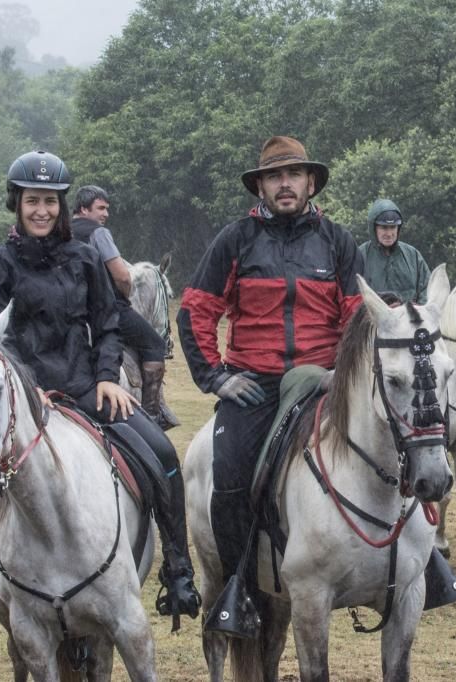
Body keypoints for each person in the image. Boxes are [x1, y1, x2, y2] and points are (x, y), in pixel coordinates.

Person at [0, 151, 199, 639]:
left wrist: (105, 377)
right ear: (18, 204)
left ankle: (178, 571)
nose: (41, 210)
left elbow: (108, 323)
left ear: (60, 206)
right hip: (23, 399)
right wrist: (28, 394)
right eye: (32, 201)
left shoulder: (84, 259)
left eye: (50, 202)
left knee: (162, 453)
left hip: (85, 388)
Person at [177, 136, 364, 630]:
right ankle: (238, 586)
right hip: (255, 385)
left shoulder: (337, 241)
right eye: (275, 176)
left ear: (310, 183)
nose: (285, 184)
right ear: (260, 185)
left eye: (294, 175)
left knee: (398, 443)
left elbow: (358, 318)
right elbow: (196, 309)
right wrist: (216, 377)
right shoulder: (235, 240)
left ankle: (421, 566)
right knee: (232, 474)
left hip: (324, 381)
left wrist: (340, 374)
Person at [71, 185, 175, 429]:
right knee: (155, 344)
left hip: (70, 310)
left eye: (107, 209)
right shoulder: (99, 233)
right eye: (101, 208)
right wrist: (124, 296)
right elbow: (122, 276)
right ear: (84, 208)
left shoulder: (61, 231)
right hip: (104, 309)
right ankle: (152, 413)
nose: (106, 214)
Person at [359, 198, 431, 303]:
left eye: (393, 227)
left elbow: (427, 290)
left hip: (411, 317)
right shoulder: (360, 256)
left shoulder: (413, 255)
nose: (389, 234)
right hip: (374, 317)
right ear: (374, 228)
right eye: (384, 227)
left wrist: (417, 312)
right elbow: (352, 297)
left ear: (398, 228)